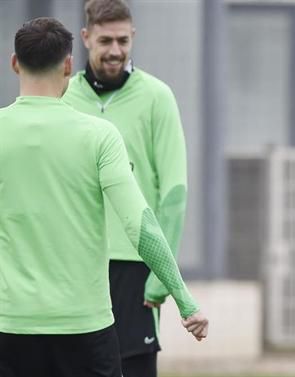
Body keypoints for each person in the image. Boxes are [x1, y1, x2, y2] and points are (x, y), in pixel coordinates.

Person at [0, 17, 208, 377]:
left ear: (14, 63)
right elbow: (139, 224)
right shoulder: (100, 136)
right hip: (84, 327)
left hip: (8, 325)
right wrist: (185, 302)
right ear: (68, 65)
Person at [62, 1, 189, 376]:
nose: (115, 50)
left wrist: (161, 274)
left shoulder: (158, 97)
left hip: (136, 264)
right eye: (105, 41)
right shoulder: (64, 98)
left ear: (132, 37)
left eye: (122, 40)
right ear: (86, 38)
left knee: (133, 367)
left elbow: (174, 190)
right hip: (79, 262)